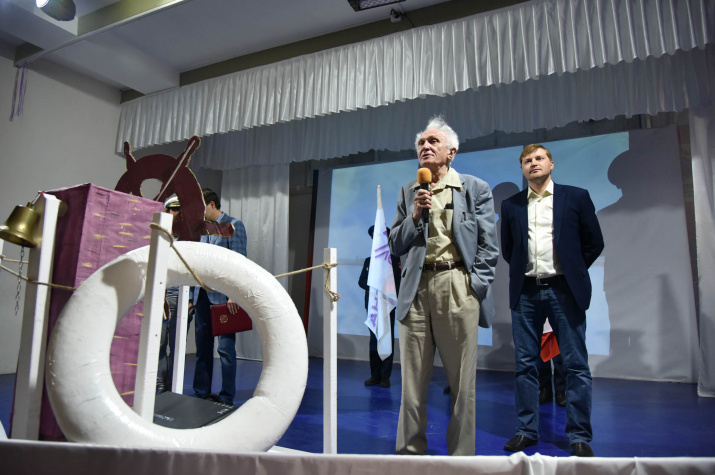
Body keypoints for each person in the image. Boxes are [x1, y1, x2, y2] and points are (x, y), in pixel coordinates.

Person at [389, 116, 498, 456]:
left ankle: (461, 459)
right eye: (421, 143)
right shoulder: (409, 191)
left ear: (451, 151)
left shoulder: (474, 188)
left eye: (433, 141)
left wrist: (474, 286)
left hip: (458, 286)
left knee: (462, 384)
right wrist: (415, 217)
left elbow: (488, 246)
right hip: (416, 289)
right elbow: (395, 244)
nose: (425, 146)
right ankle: (409, 455)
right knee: (411, 385)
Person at [500, 144, 604, 457]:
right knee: (525, 366)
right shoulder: (511, 205)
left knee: (576, 366)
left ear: (551, 163)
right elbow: (509, 250)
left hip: (564, 291)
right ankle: (526, 431)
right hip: (526, 292)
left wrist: (572, 270)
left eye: (539, 158)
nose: (533, 163)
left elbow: (594, 242)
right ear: (522, 168)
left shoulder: (576, 197)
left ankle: (579, 435)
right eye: (527, 161)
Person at [192, 188, 247, 406]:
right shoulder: (201, 229)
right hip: (201, 296)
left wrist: (234, 294)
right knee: (202, 349)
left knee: (225, 350)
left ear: (212, 205)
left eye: (201, 207)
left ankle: (226, 397)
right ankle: (200, 393)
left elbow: (239, 263)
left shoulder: (233, 225)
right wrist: (191, 296)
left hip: (224, 298)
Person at [156, 196, 194, 393]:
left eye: (178, 209)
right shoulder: (159, 236)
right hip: (160, 297)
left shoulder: (189, 237)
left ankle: (173, 388)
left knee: (177, 347)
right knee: (159, 344)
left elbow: (196, 269)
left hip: (181, 297)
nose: (175, 213)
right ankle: (160, 387)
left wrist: (191, 299)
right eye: (172, 209)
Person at [358, 225, 401, 388]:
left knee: (387, 340)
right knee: (373, 341)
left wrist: (386, 290)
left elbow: (398, 283)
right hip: (373, 306)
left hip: (388, 305)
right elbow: (361, 281)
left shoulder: (394, 260)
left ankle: (385, 377)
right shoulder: (369, 261)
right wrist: (374, 288)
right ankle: (374, 375)